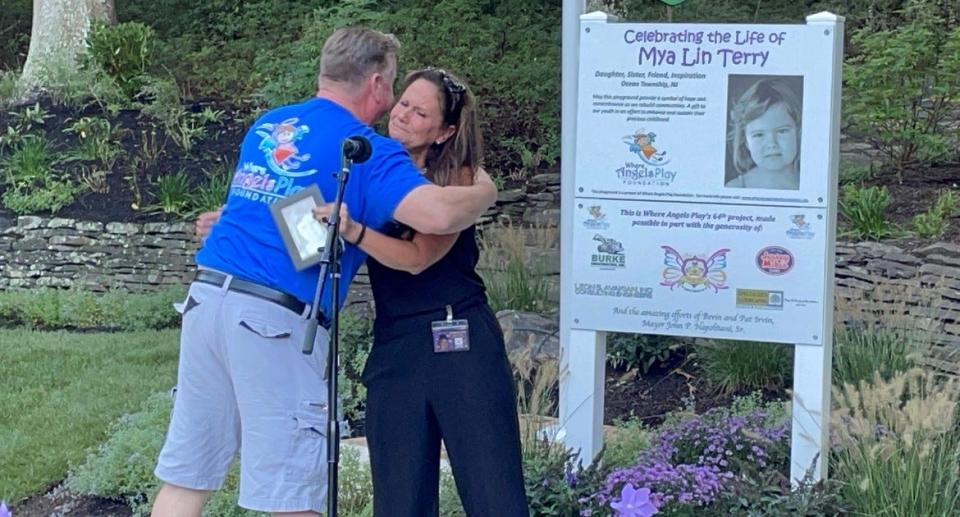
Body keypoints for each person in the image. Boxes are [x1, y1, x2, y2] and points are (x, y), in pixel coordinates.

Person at [151, 28, 497, 517]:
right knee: (293, 494)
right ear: (376, 83)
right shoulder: (364, 149)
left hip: (207, 302)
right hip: (271, 323)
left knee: (188, 479)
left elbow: (274, 220)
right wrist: (486, 192)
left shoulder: (271, 126)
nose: (396, 102)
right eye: (394, 85)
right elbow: (439, 218)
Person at [315, 67, 529, 517]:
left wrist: (353, 231)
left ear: (445, 130)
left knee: (492, 492)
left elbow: (417, 258)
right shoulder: (370, 162)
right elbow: (311, 209)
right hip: (396, 343)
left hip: (459, 336)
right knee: (398, 496)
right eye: (404, 103)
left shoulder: (459, 178)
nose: (405, 115)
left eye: (421, 112)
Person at [725, 78, 801, 190]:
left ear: (798, 132)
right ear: (746, 141)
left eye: (782, 131)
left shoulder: (810, 185)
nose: (772, 144)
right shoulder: (735, 187)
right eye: (759, 135)